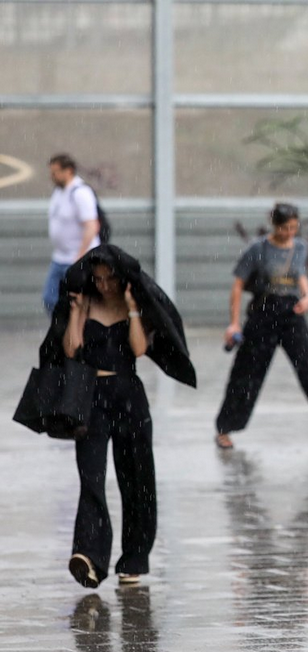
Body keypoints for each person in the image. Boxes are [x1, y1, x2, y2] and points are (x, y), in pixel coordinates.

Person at [215, 202, 308, 451]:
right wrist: (234, 323)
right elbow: (237, 286)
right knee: (248, 373)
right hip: (262, 314)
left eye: (294, 227)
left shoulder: (300, 247)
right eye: (285, 228)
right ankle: (225, 428)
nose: (290, 232)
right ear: (275, 225)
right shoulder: (257, 249)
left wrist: (307, 296)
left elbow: (299, 275)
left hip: (291, 313)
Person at [62, 252, 155, 587]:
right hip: (91, 397)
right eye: (98, 278)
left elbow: (140, 349)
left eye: (109, 278)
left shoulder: (134, 306)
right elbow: (72, 348)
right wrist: (76, 311)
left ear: (121, 278)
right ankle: (89, 557)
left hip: (129, 395)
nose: (103, 285)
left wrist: (130, 307)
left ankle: (134, 559)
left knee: (136, 479)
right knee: (91, 477)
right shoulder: (86, 304)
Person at [45, 154, 100, 314]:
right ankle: (61, 332)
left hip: (77, 258)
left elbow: (91, 226)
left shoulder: (80, 193)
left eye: (55, 172)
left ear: (68, 171)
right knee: (50, 298)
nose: (52, 177)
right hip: (60, 257)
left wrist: (80, 256)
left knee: (79, 304)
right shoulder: (60, 192)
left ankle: (76, 334)